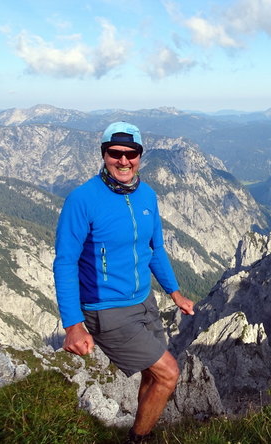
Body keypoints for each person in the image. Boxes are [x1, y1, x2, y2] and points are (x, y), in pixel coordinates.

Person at [53, 121, 195, 443]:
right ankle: (139, 439)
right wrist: (73, 325)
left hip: (145, 301)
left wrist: (174, 292)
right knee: (168, 373)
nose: (124, 161)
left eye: (131, 154)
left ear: (140, 156)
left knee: (153, 372)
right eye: (115, 153)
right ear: (104, 155)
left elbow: (155, 248)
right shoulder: (82, 200)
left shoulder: (147, 195)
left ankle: (136, 430)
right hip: (107, 309)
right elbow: (64, 262)